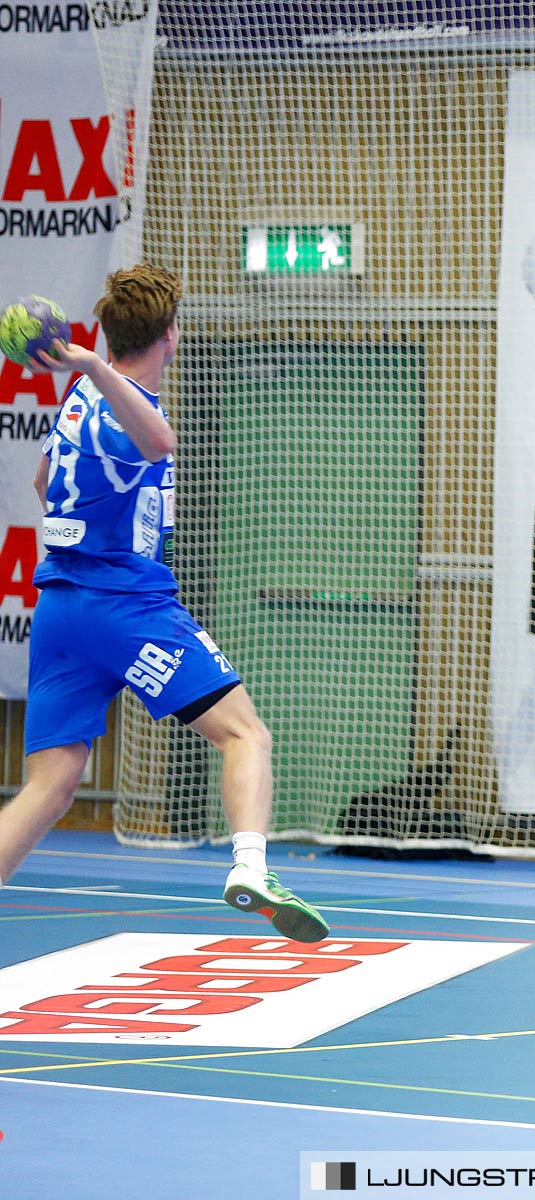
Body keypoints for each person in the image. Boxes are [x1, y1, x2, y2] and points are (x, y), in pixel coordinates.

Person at [0, 265, 329, 943]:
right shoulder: (116, 403)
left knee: (53, 784)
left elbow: (41, 479)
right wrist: (91, 365)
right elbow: (159, 442)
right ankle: (250, 867)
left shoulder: (78, 406)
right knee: (245, 734)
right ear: (169, 334)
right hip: (123, 604)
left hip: (61, 607)